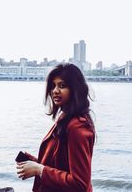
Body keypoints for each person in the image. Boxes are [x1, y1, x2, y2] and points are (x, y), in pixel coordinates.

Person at [16, 63, 96, 192]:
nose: (55, 91)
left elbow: (79, 183)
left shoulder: (77, 126)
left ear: (75, 89)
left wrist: (39, 169)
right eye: (53, 86)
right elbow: (61, 166)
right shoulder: (66, 118)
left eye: (62, 86)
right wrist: (35, 163)